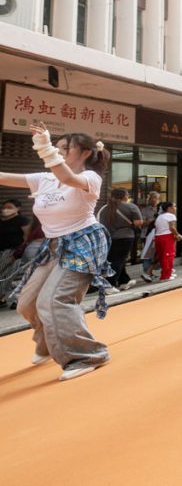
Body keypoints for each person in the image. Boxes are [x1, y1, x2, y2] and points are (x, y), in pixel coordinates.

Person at [4, 128, 114, 381]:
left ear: (86, 153)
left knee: (55, 299)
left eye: (65, 148)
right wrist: (49, 152)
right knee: (27, 303)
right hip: (53, 246)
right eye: (57, 148)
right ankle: (48, 341)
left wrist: (45, 148)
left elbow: (67, 177)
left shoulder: (90, 177)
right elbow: (6, 177)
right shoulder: (45, 178)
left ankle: (88, 355)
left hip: (82, 244)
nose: (60, 152)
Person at [97, 188, 143, 290]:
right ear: (125, 196)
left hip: (108, 238)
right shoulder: (130, 206)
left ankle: (124, 281)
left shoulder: (104, 208)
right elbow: (138, 222)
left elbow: (98, 222)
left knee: (115, 259)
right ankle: (109, 285)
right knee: (118, 261)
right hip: (124, 237)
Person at [153, 202, 182, 281]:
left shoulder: (159, 216)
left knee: (162, 256)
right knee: (169, 256)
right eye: (174, 206)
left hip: (158, 237)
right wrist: (178, 235)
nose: (176, 208)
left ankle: (165, 274)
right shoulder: (171, 215)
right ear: (169, 208)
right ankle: (166, 276)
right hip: (167, 237)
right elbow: (172, 228)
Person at [138, 191, 162, 282]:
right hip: (147, 235)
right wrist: (152, 220)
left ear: (158, 199)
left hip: (159, 235)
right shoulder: (144, 210)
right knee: (147, 255)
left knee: (158, 254)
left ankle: (151, 272)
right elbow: (142, 223)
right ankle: (146, 273)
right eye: (151, 198)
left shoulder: (161, 209)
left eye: (155, 198)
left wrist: (150, 220)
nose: (153, 199)